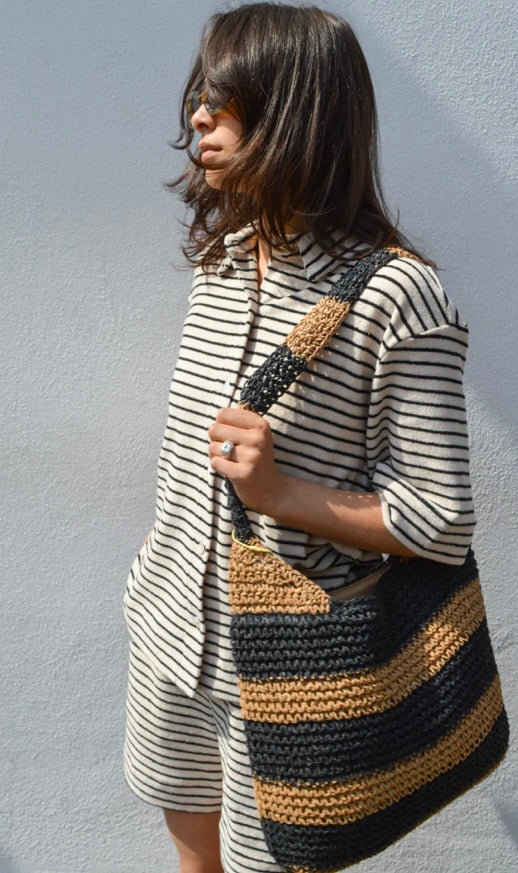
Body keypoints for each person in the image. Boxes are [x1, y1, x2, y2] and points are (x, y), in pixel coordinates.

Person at [122, 4, 476, 872]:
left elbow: (440, 520)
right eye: (200, 95)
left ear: (299, 113)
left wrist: (280, 494)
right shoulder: (222, 260)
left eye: (225, 98)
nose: (199, 116)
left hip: (287, 676)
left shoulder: (398, 296)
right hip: (168, 631)